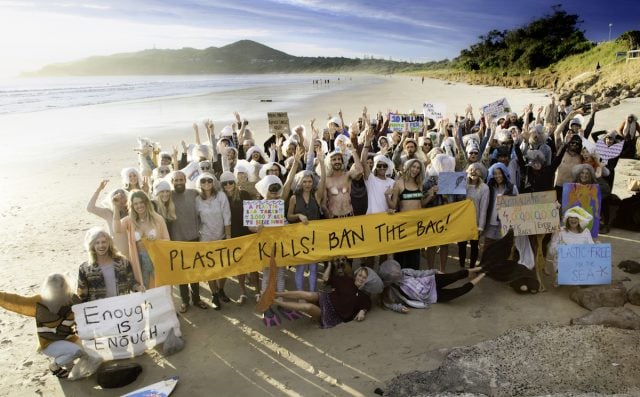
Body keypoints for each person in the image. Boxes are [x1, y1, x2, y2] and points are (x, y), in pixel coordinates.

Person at [0, 274, 101, 379]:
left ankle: (70, 367)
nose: (58, 289)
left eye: (61, 286)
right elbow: (16, 300)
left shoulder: (72, 299)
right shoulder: (39, 301)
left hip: (69, 338)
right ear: (48, 287)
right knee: (76, 351)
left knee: (90, 354)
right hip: (49, 343)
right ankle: (54, 366)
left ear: (65, 286)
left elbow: (84, 314)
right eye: (54, 287)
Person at [272, 257, 372, 328]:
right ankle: (276, 294)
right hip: (327, 298)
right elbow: (325, 278)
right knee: (309, 294)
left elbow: (366, 306)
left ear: (368, 280)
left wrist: (362, 312)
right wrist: (329, 265)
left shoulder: (364, 296)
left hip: (332, 314)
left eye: (364, 277)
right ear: (356, 274)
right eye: (360, 275)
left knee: (308, 307)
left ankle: (275, 302)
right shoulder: (347, 279)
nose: (361, 278)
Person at [379, 259, 486, 313]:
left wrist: (434, 271)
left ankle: (480, 268)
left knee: (456, 275)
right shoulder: (392, 291)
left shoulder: (405, 271)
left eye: (396, 269)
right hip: (432, 296)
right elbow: (388, 303)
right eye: (393, 272)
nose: (397, 272)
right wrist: (400, 308)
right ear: (390, 278)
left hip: (431, 281)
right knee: (459, 292)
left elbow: (420, 273)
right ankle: (483, 274)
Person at [113, 190, 169, 289]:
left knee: (162, 287)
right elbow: (117, 229)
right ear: (132, 206)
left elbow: (167, 240)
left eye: (141, 202)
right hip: (139, 261)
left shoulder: (158, 219)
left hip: (157, 259)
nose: (139, 206)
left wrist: (155, 242)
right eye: (135, 204)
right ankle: (146, 305)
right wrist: (116, 208)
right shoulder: (129, 220)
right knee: (144, 290)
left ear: (146, 203)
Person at [169, 171, 209, 313]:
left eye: (181, 179)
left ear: (185, 180)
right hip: (177, 241)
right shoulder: (169, 196)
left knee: (195, 272)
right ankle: (185, 301)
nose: (179, 182)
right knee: (182, 275)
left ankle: (197, 299)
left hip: (194, 239)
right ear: (172, 181)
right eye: (176, 180)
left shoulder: (194, 193)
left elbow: (209, 196)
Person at [287, 150, 326, 292]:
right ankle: (301, 296)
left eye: (309, 181)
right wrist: (298, 215)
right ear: (300, 182)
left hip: (314, 236)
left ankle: (312, 294)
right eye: (304, 181)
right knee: (301, 267)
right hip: (299, 237)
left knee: (314, 267)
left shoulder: (317, 195)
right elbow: (289, 216)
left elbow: (323, 181)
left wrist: (321, 162)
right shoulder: (293, 198)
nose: (307, 184)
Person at [220, 171, 258, 303]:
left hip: (247, 233)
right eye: (225, 183)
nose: (228, 185)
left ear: (234, 182)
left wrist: (255, 228)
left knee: (253, 266)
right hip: (233, 236)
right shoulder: (221, 197)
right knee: (240, 266)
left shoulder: (244, 194)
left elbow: (252, 212)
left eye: (230, 182)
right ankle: (243, 292)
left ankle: (258, 292)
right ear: (222, 185)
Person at [195, 173, 232, 309]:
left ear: (213, 182)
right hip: (205, 238)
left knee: (224, 267)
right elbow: (196, 218)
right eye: (203, 180)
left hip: (221, 236)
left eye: (209, 180)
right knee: (209, 268)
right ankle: (214, 294)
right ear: (200, 183)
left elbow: (227, 216)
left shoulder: (221, 196)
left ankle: (221, 289)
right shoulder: (197, 199)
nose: (206, 183)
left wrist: (228, 236)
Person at [77, 227, 140, 302]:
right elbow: (82, 295)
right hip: (99, 309)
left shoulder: (123, 262)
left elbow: (131, 282)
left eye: (104, 242)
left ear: (109, 243)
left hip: (122, 307)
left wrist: (138, 287)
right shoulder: (85, 268)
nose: (101, 245)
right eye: (97, 243)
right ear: (92, 246)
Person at [390, 159, 429, 269]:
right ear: (408, 167)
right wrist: (385, 197)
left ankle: (412, 283)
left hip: (416, 226)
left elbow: (421, 204)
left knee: (414, 258)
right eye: (413, 167)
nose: (415, 170)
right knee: (400, 257)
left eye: (418, 168)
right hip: (403, 226)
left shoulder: (419, 184)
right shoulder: (399, 183)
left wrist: (430, 196)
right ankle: (398, 282)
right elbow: (393, 205)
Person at [86, 180, 129, 257]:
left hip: (132, 251)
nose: (120, 199)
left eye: (122, 196)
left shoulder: (131, 212)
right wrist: (99, 189)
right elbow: (90, 208)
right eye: (117, 197)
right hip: (116, 253)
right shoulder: (108, 213)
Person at [459, 163, 489, 268]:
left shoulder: (484, 188)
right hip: (462, 221)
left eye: (476, 170)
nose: (473, 172)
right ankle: (461, 265)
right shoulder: (462, 185)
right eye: (471, 169)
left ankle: (471, 267)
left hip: (475, 221)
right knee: (461, 244)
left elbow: (484, 208)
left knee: (474, 245)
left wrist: (481, 226)